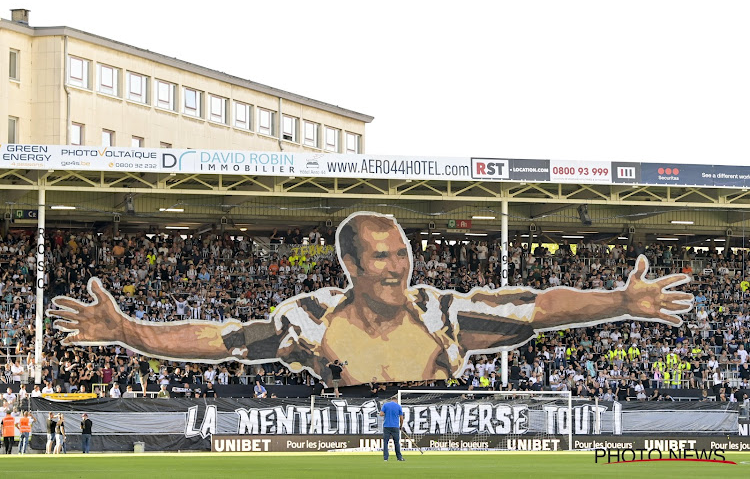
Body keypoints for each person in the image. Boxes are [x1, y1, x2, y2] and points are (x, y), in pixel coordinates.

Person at [48, 213, 693, 388]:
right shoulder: (310, 320)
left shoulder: (444, 313)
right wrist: (128, 329)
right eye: (381, 256)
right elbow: (222, 342)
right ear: (351, 265)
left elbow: (539, 307)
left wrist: (616, 300)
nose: (398, 265)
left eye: (403, 251)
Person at [379, 396, 405, 462]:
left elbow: (381, 414)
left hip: (386, 426)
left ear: (391, 400)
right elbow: (401, 418)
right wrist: (401, 426)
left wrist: (387, 413)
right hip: (395, 426)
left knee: (385, 442)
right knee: (396, 442)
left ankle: (385, 458)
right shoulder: (398, 406)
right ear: (396, 400)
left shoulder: (386, 405)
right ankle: (399, 458)